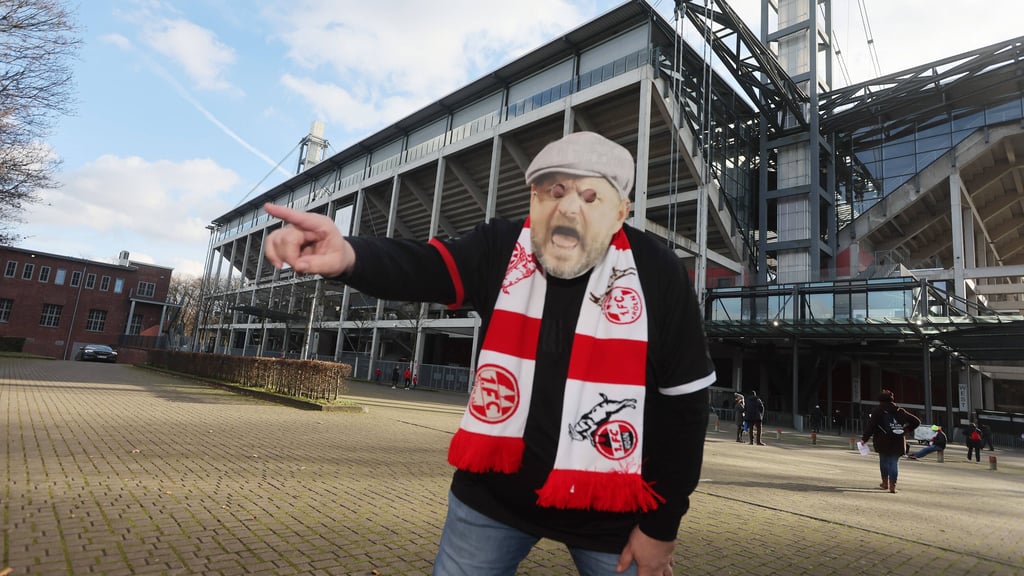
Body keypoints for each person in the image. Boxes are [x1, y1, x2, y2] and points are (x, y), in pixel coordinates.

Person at [262, 131, 717, 576]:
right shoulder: (502, 247)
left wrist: (661, 526)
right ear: (535, 198)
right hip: (493, 498)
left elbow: (686, 406)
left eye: (591, 196)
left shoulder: (657, 273)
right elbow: (425, 265)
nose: (569, 206)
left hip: (612, 510)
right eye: (554, 190)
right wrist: (347, 254)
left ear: (622, 212)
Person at [860, 389, 920, 493]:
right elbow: (916, 421)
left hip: (882, 440)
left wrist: (864, 439)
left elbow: (871, 426)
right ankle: (893, 486)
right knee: (894, 463)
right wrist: (905, 430)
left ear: (880, 400)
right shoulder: (900, 411)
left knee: (883, 462)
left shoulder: (877, 411)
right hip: (898, 440)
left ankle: (884, 483)